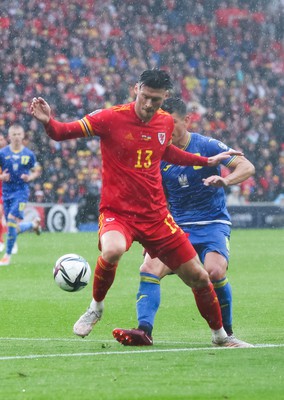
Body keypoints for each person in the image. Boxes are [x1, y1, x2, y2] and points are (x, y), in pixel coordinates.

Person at [31, 69, 244, 347]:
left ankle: (221, 337)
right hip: (117, 212)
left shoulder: (165, 122)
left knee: (200, 277)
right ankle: (96, 307)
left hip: (156, 216)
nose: (148, 105)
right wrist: (49, 122)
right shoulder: (109, 117)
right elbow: (62, 132)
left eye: (155, 100)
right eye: (145, 97)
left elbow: (166, 152)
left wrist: (207, 160)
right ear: (136, 89)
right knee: (113, 249)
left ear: (164, 97)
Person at [112, 97, 255, 347]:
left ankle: (226, 335)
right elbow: (155, 195)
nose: (166, 128)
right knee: (148, 269)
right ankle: (144, 331)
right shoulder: (158, 153)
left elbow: (246, 166)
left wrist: (226, 180)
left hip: (212, 224)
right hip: (175, 228)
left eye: (172, 122)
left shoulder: (207, 146)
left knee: (215, 272)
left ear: (187, 120)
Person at [0, 124, 42, 266]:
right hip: (6, 193)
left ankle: (7, 256)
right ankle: (33, 224)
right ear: (9, 136)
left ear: (23, 136)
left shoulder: (29, 154)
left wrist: (30, 177)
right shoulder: (2, 153)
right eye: (14, 134)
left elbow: (37, 170)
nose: (17, 137)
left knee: (11, 219)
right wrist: (1, 177)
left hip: (21, 192)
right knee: (12, 227)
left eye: (19, 134)